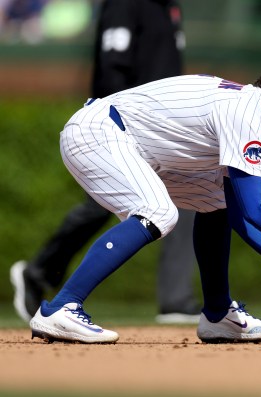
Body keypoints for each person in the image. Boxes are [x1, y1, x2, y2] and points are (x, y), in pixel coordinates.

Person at [28, 53, 261, 344]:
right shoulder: (245, 112)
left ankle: (218, 314)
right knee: (158, 213)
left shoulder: (250, 117)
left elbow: (240, 211)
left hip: (137, 146)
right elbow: (259, 208)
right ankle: (61, 307)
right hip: (99, 132)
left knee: (218, 202)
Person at [10, 0, 201, 326]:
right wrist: (122, 127)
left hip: (160, 127)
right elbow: (113, 67)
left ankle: (176, 299)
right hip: (122, 124)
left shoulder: (169, 6)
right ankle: (39, 271)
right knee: (100, 205)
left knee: (187, 197)